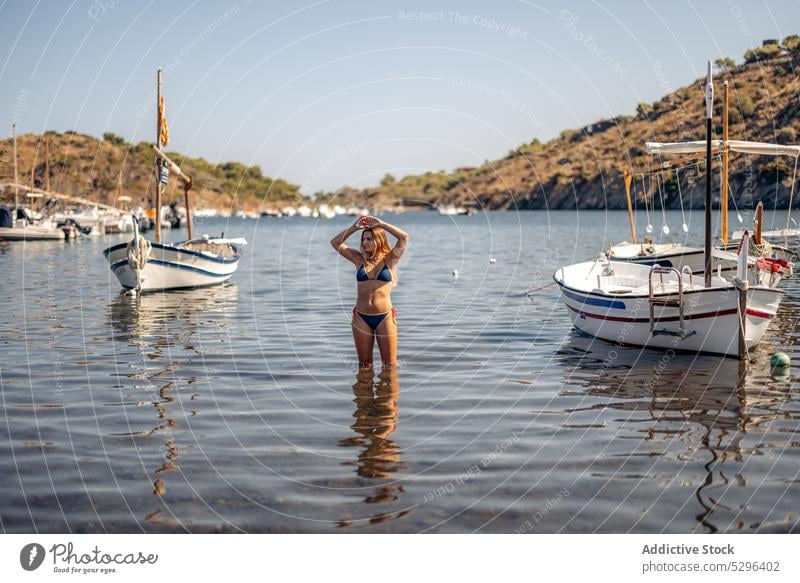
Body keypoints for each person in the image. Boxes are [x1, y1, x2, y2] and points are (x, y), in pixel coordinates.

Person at [330, 215, 409, 367]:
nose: (364, 243)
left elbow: (404, 237)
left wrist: (382, 224)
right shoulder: (358, 259)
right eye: (363, 239)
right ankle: (363, 390)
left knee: (390, 366)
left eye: (369, 239)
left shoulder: (390, 259)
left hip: (384, 317)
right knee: (364, 366)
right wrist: (354, 227)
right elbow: (335, 243)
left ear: (378, 240)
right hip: (361, 317)